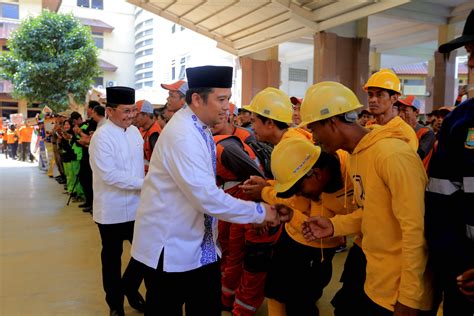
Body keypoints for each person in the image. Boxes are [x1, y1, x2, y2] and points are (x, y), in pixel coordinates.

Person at [130, 65, 281, 316]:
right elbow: (207, 198)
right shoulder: (183, 135)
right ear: (197, 99)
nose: (226, 106)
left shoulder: (199, 128)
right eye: (221, 99)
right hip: (170, 249)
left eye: (229, 99)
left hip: (199, 247)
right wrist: (260, 212)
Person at [300, 81, 430, 315]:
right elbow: (373, 211)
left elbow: (415, 230)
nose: (314, 138)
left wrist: (409, 298)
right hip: (376, 282)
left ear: (331, 122)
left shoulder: (392, 155)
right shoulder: (357, 156)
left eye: (314, 129)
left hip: (398, 294)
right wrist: (333, 225)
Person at [263, 137, 357, 316]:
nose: (299, 195)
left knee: (301, 303)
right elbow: (291, 199)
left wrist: (264, 193)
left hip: (317, 251)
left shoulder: (354, 176)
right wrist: (267, 188)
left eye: (299, 189)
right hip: (292, 239)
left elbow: (365, 220)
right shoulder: (309, 170)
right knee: (276, 291)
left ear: (316, 173)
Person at [425, 9, 474, 315]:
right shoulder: (461, 121)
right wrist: (462, 267)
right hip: (464, 280)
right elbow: (440, 205)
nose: (471, 63)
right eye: (470, 53)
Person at [211, 114, 278, 316]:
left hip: (252, 210)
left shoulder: (225, 147)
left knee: (253, 263)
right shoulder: (212, 142)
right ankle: (228, 299)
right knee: (232, 256)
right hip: (235, 209)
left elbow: (257, 179)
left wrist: (260, 212)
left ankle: (242, 309)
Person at [89, 87, 146, 316]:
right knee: (111, 260)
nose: (131, 115)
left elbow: (138, 165)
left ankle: (129, 288)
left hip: (136, 207)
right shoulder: (101, 137)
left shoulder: (135, 133)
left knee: (144, 254)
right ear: (110, 111)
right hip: (110, 210)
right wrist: (145, 183)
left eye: (133, 110)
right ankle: (115, 304)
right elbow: (109, 175)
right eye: (126, 111)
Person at [364, 68, 418, 151]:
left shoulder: (404, 132)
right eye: (370, 95)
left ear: (394, 98)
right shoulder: (368, 127)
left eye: (379, 95)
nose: (372, 100)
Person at [397, 95, 436, 170]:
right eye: (399, 110)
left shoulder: (427, 133)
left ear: (417, 112)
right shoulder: (396, 130)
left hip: (418, 177)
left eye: (404, 110)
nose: (400, 115)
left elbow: (417, 157)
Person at [134, 100, 161, 174]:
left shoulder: (154, 135)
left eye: (136, 115)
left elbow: (158, 163)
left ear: (146, 115)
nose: (133, 118)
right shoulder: (142, 129)